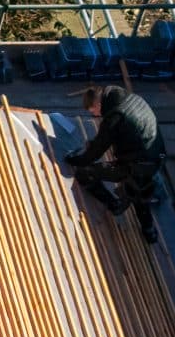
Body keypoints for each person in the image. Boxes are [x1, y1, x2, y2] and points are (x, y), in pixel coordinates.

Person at [64, 85, 164, 243]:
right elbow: (125, 132)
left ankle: (115, 204)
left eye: (93, 112)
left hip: (136, 165)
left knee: (85, 174)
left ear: (98, 105)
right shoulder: (128, 98)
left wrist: (74, 160)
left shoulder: (114, 117)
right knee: (141, 190)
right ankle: (149, 231)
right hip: (156, 154)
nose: (96, 116)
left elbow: (94, 154)